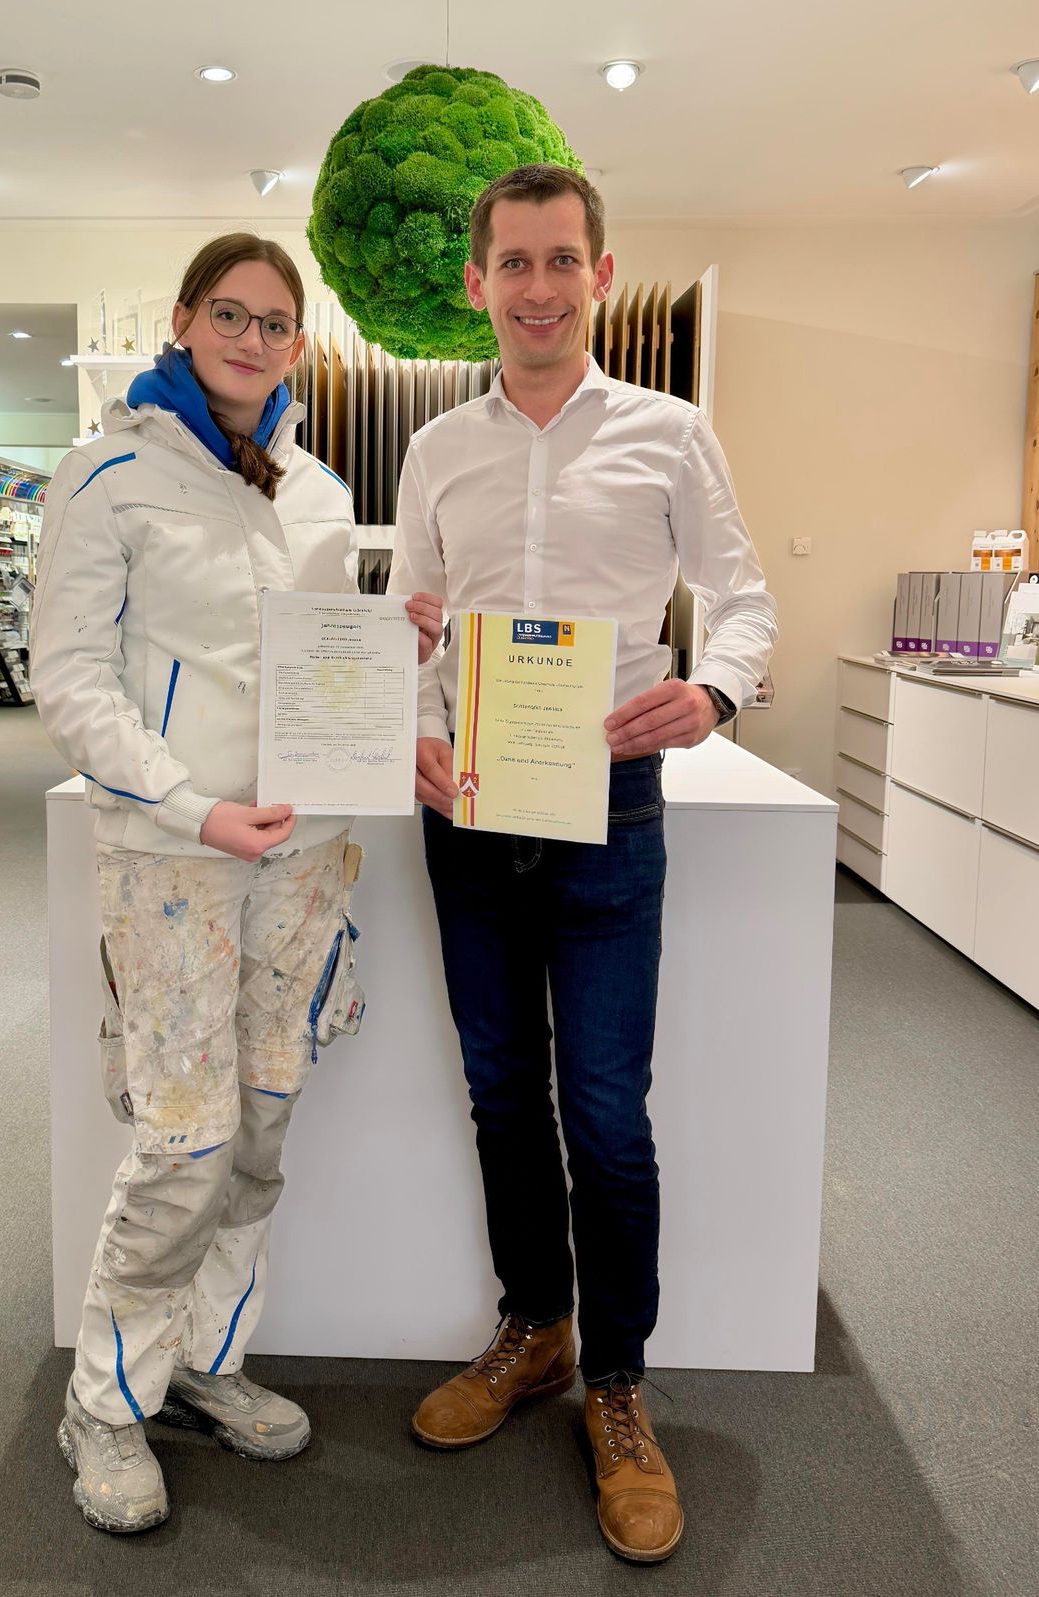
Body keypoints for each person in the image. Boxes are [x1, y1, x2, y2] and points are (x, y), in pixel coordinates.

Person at [387, 166, 778, 1565]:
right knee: (500, 1091)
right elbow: (408, 627)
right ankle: (533, 1330)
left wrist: (717, 691)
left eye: (563, 260)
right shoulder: (436, 449)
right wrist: (412, 732)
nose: (539, 287)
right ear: (479, 281)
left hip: (611, 802)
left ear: (599, 275)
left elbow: (741, 597)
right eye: (515, 263)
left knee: (604, 1110)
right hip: (472, 810)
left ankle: (616, 1383)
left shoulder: (669, 434)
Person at [32, 233, 442, 1533]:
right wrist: (190, 802)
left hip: (305, 854)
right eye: (230, 313)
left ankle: (205, 1361)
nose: (252, 340)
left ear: (298, 345)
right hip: (174, 856)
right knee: (184, 1138)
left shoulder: (318, 488)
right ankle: (104, 1404)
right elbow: (70, 678)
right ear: (182, 319)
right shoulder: (105, 476)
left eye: (275, 323)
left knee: (263, 1124)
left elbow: (325, 670)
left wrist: (399, 659)